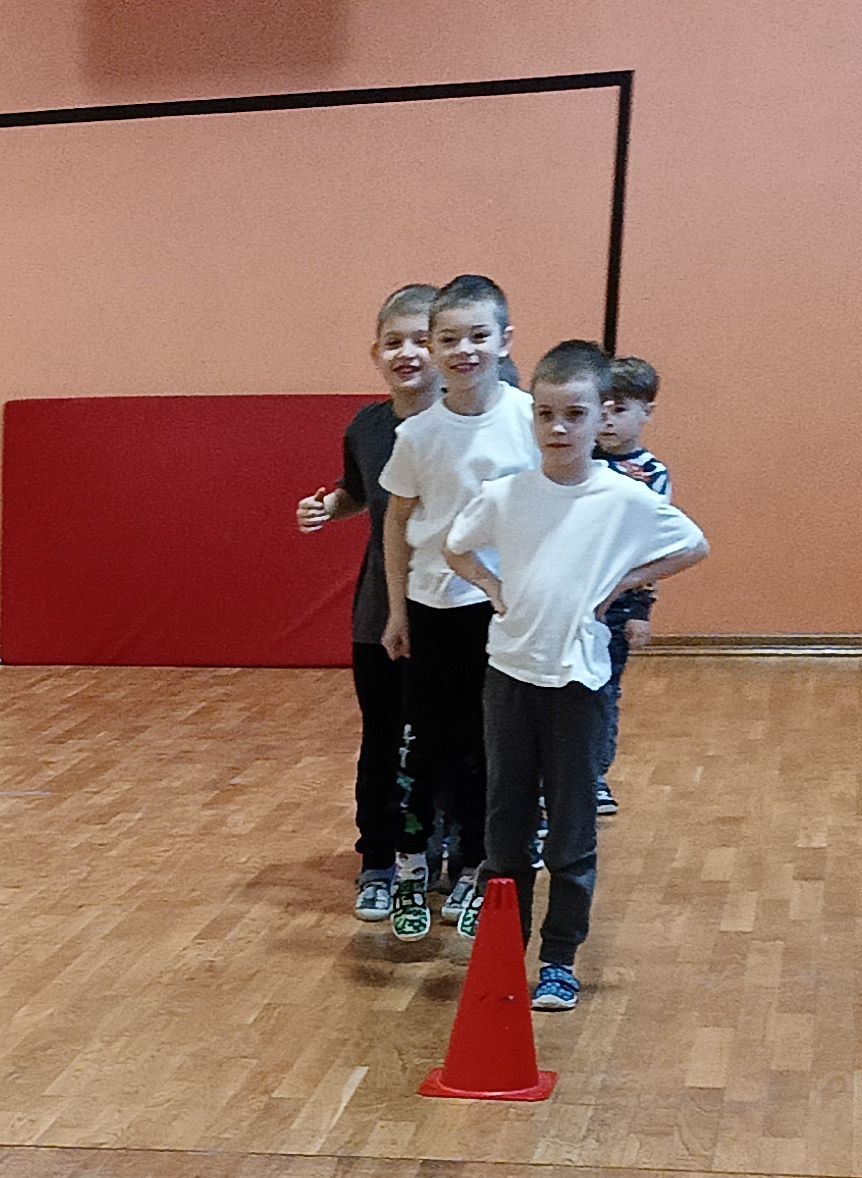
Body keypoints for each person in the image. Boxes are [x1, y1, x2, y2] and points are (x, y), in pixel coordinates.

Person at [439, 339, 708, 1015]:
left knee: (571, 829)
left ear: (599, 417)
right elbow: (456, 546)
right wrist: (491, 587)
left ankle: (559, 961)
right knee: (505, 829)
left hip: (579, 686)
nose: (559, 428)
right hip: (509, 679)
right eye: (546, 414)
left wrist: (622, 584)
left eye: (575, 415)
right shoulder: (507, 494)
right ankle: (503, 955)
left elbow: (692, 546)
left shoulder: (624, 498)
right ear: (533, 416)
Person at [373, 272, 534, 947]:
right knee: (423, 747)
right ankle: (411, 867)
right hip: (431, 609)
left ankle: (474, 867)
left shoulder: (530, 421)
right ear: (434, 346)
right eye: (449, 339)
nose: (464, 350)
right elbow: (396, 522)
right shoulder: (419, 434)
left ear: (505, 340)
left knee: (485, 748)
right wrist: (396, 611)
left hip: (499, 612)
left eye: (478, 336)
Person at [297, 284, 441, 935]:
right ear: (375, 352)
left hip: (453, 612)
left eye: (422, 340)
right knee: (382, 740)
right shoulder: (367, 427)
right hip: (379, 613)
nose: (407, 353)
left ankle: (439, 856)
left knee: (448, 742)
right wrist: (328, 508)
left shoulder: (474, 425)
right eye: (394, 342)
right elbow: (360, 494)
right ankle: (378, 861)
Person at [594, 357, 673, 813]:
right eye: (601, 407)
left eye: (620, 409)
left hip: (620, 605)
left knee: (605, 691)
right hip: (573, 599)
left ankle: (594, 776)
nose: (607, 419)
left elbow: (653, 547)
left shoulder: (651, 475)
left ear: (646, 413)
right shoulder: (576, 461)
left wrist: (641, 611)